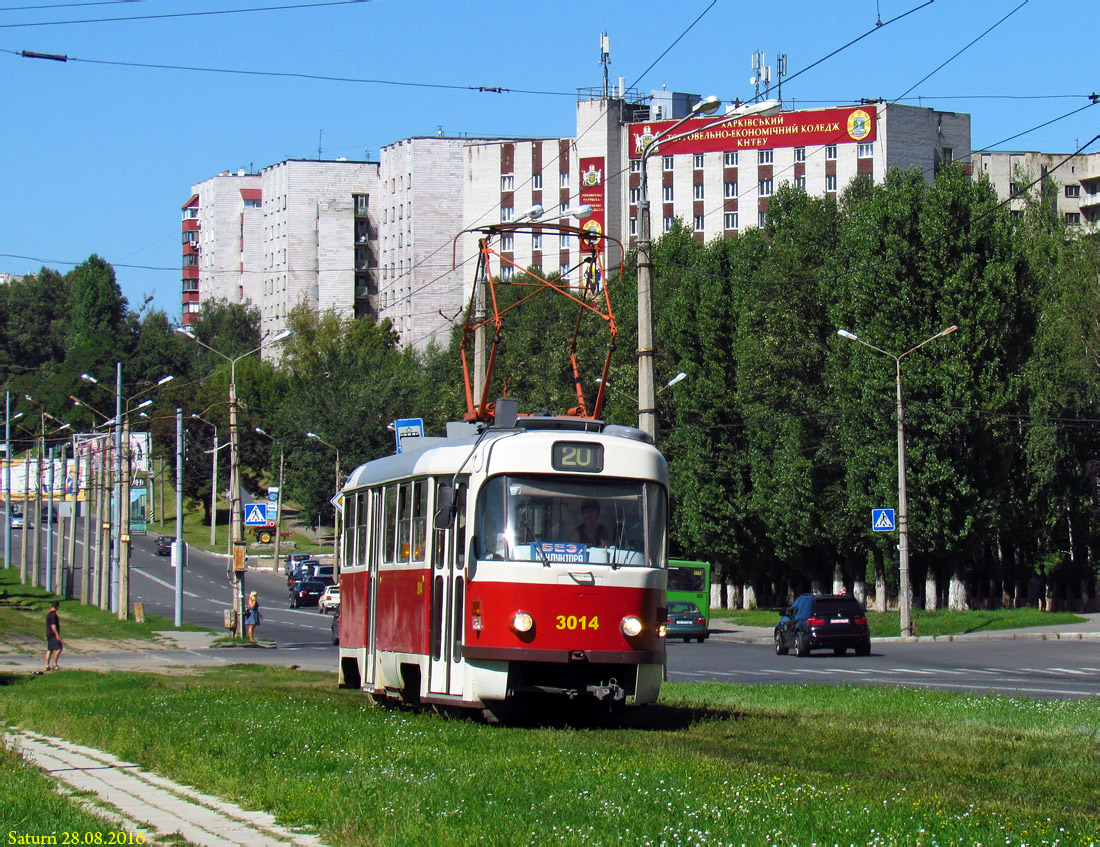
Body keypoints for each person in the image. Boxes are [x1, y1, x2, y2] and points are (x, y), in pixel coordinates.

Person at [45, 600, 62, 671]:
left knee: (50, 649)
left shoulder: (49, 613)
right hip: (52, 634)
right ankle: (54, 663)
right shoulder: (53, 614)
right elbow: (53, 625)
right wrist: (57, 635)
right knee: (59, 648)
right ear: (57, 606)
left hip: (48, 633)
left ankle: (46, 665)